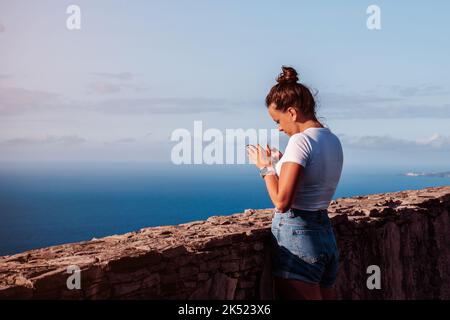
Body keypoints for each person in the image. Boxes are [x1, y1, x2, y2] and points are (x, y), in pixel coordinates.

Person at [246, 66, 344, 300]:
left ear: (292, 112)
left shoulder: (300, 141)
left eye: (277, 120)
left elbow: (282, 202)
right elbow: (313, 177)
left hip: (298, 237)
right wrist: (282, 162)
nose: (279, 128)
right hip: (325, 235)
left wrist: (265, 168)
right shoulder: (331, 139)